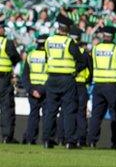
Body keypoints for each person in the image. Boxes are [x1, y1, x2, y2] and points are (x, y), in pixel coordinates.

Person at [42, 14, 87, 149]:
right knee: (69, 110)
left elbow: (46, 58)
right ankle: (69, 141)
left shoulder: (48, 41)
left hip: (52, 78)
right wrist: (74, 71)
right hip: (66, 79)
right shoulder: (69, 42)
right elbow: (81, 60)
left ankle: (46, 140)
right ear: (67, 29)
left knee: (50, 110)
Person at [87, 26, 116, 149]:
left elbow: (91, 64)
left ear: (103, 36)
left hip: (98, 85)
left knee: (96, 115)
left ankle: (91, 141)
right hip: (113, 86)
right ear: (113, 36)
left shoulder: (95, 49)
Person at [22, 34, 48, 144]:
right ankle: (46, 139)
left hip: (33, 90)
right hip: (46, 90)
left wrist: (31, 90)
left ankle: (30, 139)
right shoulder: (50, 57)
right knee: (48, 116)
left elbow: (25, 76)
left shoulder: (30, 55)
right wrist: (42, 90)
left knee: (33, 115)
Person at [70, 26, 91, 147]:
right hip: (81, 85)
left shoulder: (66, 51)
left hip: (69, 84)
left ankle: (65, 137)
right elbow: (91, 71)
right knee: (81, 112)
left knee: (67, 111)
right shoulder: (84, 53)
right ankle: (81, 139)